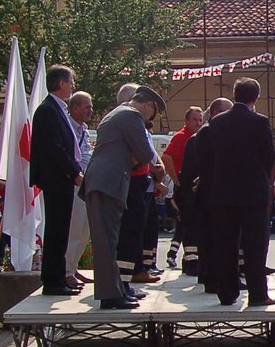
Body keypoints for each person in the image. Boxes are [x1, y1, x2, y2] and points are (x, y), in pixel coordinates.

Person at [81, 85, 164, 309]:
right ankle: (110, 295)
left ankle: (115, 290)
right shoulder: (131, 115)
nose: (149, 118)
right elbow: (147, 154)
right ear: (147, 105)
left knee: (110, 240)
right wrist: (136, 157)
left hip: (105, 182)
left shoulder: (119, 113)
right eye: (151, 113)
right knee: (107, 242)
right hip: (108, 183)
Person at [204, 79, 275, 307]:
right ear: (255, 98)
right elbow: (269, 156)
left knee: (225, 243)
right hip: (253, 191)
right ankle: (257, 294)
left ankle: (226, 293)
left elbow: (210, 157)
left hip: (223, 191)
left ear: (234, 95)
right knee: (255, 244)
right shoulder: (260, 121)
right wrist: (260, 177)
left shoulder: (216, 122)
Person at [30, 65, 85, 296]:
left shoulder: (57, 109)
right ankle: (53, 281)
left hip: (61, 180)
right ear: (61, 83)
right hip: (56, 180)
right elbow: (56, 148)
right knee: (56, 231)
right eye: (70, 81)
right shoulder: (48, 110)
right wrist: (75, 173)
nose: (72, 86)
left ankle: (58, 277)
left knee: (61, 230)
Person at [178, 97, 231, 291]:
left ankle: (209, 276)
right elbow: (191, 173)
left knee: (213, 241)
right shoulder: (204, 135)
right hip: (206, 199)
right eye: (227, 111)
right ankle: (211, 278)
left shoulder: (213, 133)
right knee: (210, 240)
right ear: (216, 112)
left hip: (213, 196)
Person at [162, 107, 204, 268]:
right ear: (186, 121)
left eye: (200, 120)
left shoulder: (197, 137)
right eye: (194, 119)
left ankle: (187, 260)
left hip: (193, 185)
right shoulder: (181, 137)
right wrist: (176, 179)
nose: (198, 123)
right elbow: (166, 156)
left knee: (186, 225)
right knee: (189, 224)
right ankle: (189, 260)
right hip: (185, 186)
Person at [61, 92, 95, 288]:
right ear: (74, 108)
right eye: (86, 106)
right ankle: (66, 271)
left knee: (85, 231)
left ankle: (73, 268)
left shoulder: (83, 129)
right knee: (74, 228)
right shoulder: (67, 127)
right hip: (74, 183)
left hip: (86, 182)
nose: (90, 110)